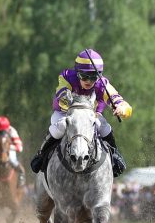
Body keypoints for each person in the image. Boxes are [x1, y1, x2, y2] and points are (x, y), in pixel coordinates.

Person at [28, 49, 132, 178]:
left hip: (90, 115)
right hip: (65, 113)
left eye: (93, 76)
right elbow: (61, 92)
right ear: (77, 73)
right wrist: (67, 98)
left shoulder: (102, 84)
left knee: (104, 126)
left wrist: (122, 108)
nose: (89, 81)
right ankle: (42, 155)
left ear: (99, 75)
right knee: (59, 128)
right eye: (84, 76)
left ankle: (115, 156)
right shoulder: (66, 76)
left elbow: (118, 100)